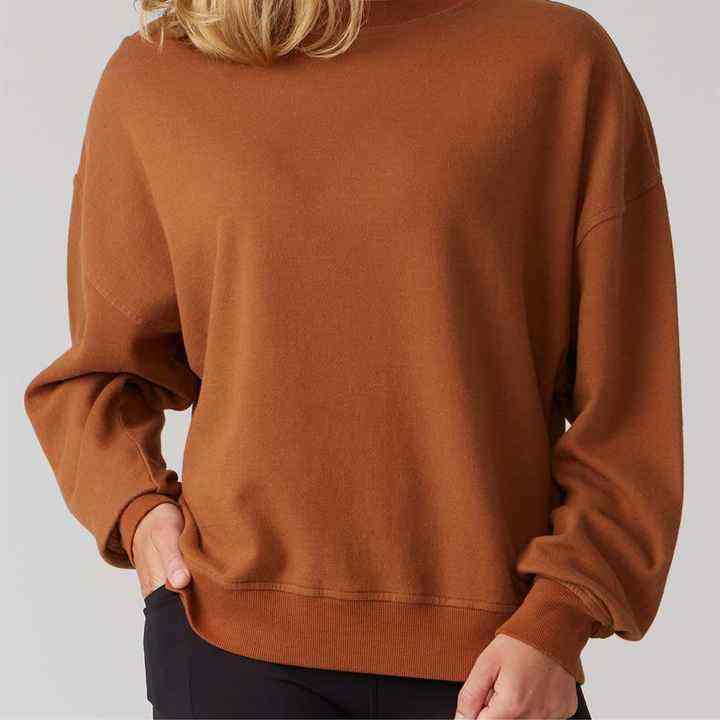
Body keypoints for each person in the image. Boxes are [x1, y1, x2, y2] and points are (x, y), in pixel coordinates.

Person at [23, 0, 684, 718]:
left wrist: (559, 619)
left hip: (497, 666)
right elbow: (98, 373)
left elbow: (631, 410)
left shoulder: (557, 62)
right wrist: (140, 514)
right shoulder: (159, 76)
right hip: (232, 647)